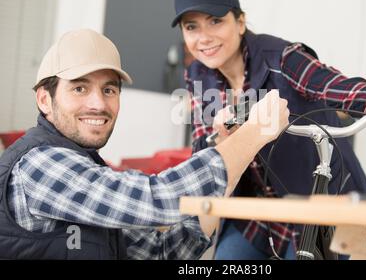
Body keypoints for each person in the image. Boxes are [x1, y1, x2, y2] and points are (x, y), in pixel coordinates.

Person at [171, 0, 366, 260]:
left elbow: (342, 90)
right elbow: (202, 150)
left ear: (240, 22)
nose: (204, 38)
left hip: (316, 205)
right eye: (192, 27)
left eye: (215, 21)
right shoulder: (197, 75)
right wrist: (220, 136)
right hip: (254, 214)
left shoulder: (281, 57)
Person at [0, 29, 289, 259]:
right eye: (80, 88)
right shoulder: (40, 165)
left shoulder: (85, 171)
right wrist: (254, 134)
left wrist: (231, 145)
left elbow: (163, 251)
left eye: (109, 89)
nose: (99, 103)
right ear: (44, 100)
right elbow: (157, 198)